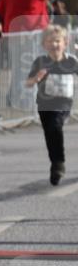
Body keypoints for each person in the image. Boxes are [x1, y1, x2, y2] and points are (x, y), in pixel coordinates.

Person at [0, 0, 59, 110]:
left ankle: (13, 98)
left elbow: (0, 9)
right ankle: (27, 101)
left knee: (17, 67)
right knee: (32, 67)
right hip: (33, 35)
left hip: (13, 34)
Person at [25, 25, 78, 185]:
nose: (54, 45)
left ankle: (58, 164)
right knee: (50, 133)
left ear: (65, 42)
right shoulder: (40, 62)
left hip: (63, 104)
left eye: (57, 41)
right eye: (50, 41)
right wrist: (36, 79)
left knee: (55, 126)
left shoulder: (71, 61)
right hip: (44, 105)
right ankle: (56, 163)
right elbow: (28, 83)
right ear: (44, 44)